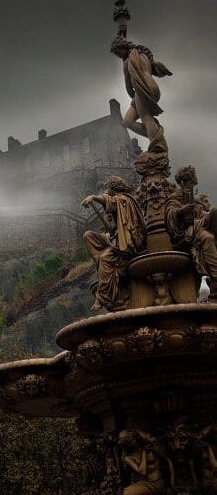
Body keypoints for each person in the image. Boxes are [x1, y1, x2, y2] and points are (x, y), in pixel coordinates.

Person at [82, 176, 146, 311]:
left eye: (108, 188)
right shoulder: (118, 202)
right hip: (115, 238)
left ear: (114, 188)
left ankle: (102, 297)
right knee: (89, 236)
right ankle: (101, 262)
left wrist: (94, 197)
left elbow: (110, 201)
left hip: (127, 241)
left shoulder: (125, 199)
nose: (106, 190)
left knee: (105, 259)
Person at [110, 36, 172, 153]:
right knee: (127, 121)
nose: (118, 56)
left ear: (122, 49)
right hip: (152, 88)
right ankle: (156, 135)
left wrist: (133, 96)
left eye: (117, 53)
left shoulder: (128, 60)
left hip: (142, 89)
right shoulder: (142, 54)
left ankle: (157, 146)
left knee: (146, 119)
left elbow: (128, 87)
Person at [165, 166, 217, 302]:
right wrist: (180, 211)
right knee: (210, 228)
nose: (194, 180)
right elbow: (170, 214)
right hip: (186, 233)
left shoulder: (194, 197)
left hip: (197, 228)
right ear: (184, 180)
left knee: (209, 236)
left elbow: (201, 212)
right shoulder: (175, 197)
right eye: (191, 178)